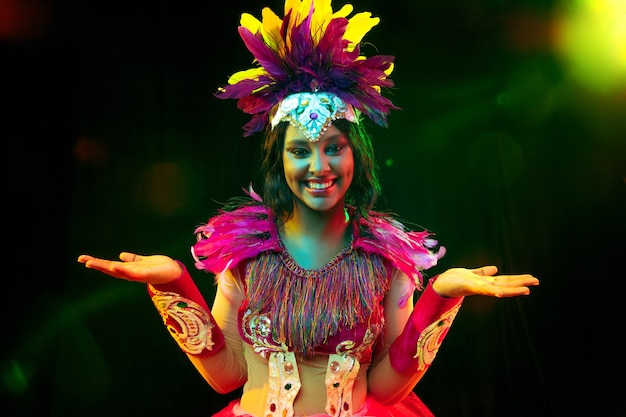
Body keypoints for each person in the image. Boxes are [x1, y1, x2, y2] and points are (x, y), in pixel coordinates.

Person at [77, 1, 539, 416]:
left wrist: (443, 295)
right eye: (300, 151)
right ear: (279, 162)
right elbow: (225, 376)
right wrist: (172, 283)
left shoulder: (388, 261)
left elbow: (387, 388)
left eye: (334, 147)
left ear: (356, 154)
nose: (319, 166)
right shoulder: (244, 256)